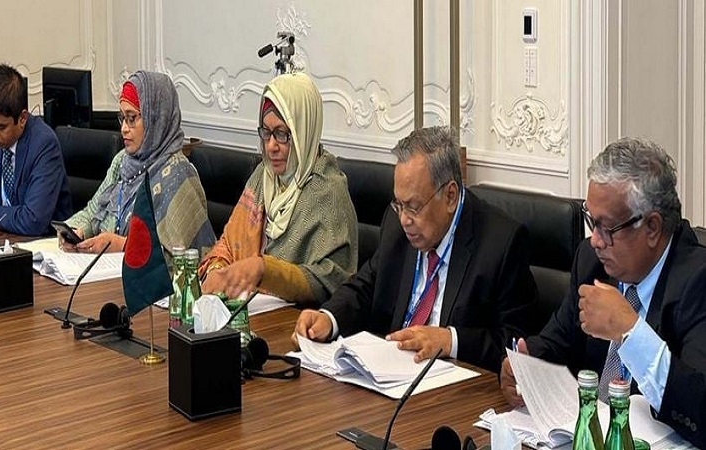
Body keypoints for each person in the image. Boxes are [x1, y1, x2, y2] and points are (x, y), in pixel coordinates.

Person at [500, 138, 706, 448]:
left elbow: (700, 404)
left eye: (606, 228)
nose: (595, 240)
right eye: (591, 221)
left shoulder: (697, 280)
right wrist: (526, 366)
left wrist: (631, 332)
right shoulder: (591, 262)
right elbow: (557, 341)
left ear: (652, 227)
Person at [293, 126, 539, 373]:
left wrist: (450, 341)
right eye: (399, 204)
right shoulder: (396, 224)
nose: (404, 219)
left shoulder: (501, 243)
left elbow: (514, 344)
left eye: (413, 206)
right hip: (390, 374)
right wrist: (329, 318)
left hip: (454, 384)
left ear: (450, 196)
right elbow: (367, 286)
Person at [198, 72, 357, 305]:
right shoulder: (264, 176)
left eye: (282, 134)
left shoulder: (328, 192)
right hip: (248, 312)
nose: (271, 146)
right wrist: (217, 271)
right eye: (266, 132)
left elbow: (331, 282)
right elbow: (228, 245)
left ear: (303, 132)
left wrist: (267, 271)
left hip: (298, 320)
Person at [62, 71, 216, 255]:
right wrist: (76, 232)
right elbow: (92, 211)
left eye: (132, 118)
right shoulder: (122, 161)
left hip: (143, 274)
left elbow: (182, 256)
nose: (123, 128)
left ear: (156, 119)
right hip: (105, 269)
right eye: (122, 118)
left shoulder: (179, 174)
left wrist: (124, 245)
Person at [0, 64, 71, 236]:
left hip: (41, 244)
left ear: (22, 118)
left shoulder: (44, 145)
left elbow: (34, 220)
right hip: (3, 241)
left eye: (1, 127)